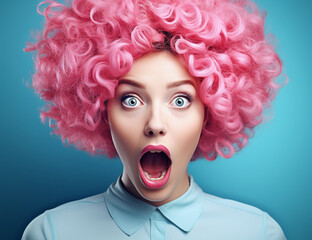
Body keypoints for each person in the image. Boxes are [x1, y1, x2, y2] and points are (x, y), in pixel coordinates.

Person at [22, 0, 286, 239]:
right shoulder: (51, 232)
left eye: (180, 101)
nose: (155, 125)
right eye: (131, 100)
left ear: (209, 112)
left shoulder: (258, 233)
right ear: (101, 109)